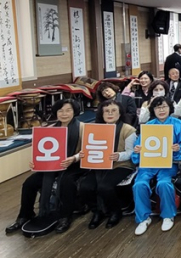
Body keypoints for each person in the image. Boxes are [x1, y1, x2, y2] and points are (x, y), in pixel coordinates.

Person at [5, 100, 85, 234]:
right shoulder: (50, 129)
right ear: (56, 112)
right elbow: (41, 151)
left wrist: (73, 158)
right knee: (29, 183)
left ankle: (65, 216)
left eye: (68, 110)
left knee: (67, 183)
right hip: (52, 166)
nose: (64, 114)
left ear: (74, 111)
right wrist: (37, 162)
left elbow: (87, 151)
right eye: (60, 111)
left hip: (75, 165)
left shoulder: (83, 127)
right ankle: (25, 215)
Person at [132, 97, 181, 235]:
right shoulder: (148, 126)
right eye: (158, 107)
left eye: (164, 107)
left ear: (170, 108)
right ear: (153, 110)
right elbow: (137, 147)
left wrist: (178, 148)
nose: (161, 110)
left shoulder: (178, 124)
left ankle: (168, 215)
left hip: (168, 163)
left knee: (164, 183)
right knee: (139, 184)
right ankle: (143, 218)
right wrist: (137, 150)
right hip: (149, 163)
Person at [78, 100, 136, 229]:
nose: (110, 113)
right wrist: (83, 154)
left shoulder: (128, 129)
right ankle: (97, 211)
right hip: (99, 165)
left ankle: (115, 212)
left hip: (121, 164)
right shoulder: (94, 129)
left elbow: (131, 152)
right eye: (106, 111)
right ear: (101, 114)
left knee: (105, 186)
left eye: (114, 110)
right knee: (85, 187)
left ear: (120, 113)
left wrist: (119, 155)